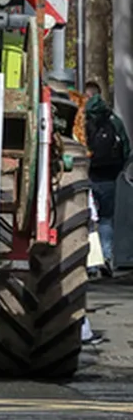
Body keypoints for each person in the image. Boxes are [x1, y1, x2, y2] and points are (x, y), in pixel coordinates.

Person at [83, 80, 130, 276]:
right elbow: (126, 147)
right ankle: (107, 257)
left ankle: (90, 263)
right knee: (106, 219)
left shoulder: (81, 118)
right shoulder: (113, 119)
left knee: (87, 218)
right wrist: (121, 167)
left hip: (86, 175)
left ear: (86, 96)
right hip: (110, 175)